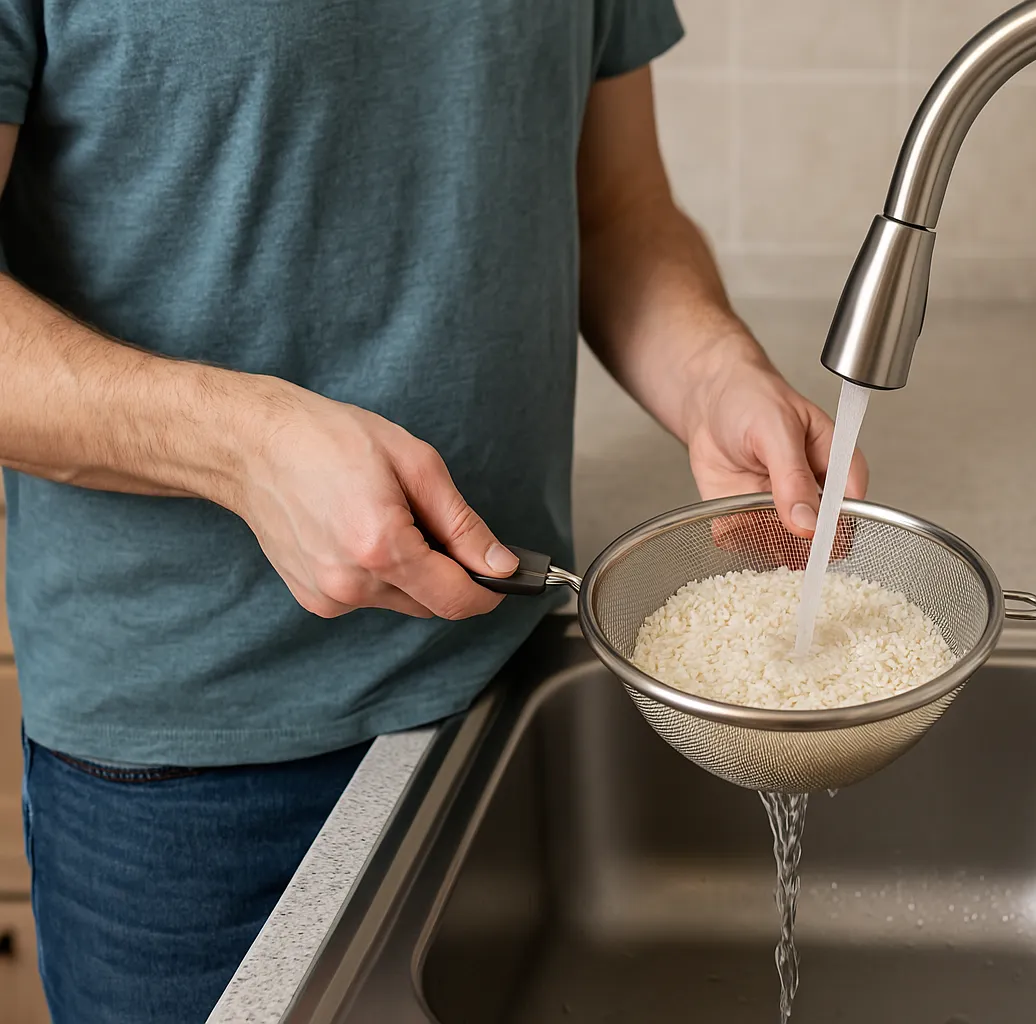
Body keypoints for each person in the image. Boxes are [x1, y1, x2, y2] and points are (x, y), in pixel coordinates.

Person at [0, 2, 868, 1020]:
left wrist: (715, 371)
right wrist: (239, 447)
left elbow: (615, 207)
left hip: (511, 696)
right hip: (189, 782)